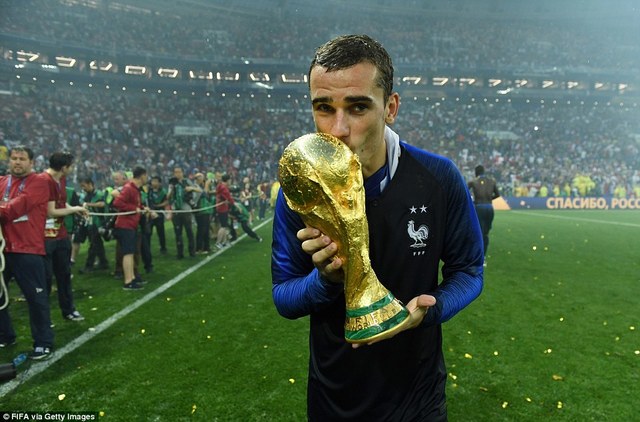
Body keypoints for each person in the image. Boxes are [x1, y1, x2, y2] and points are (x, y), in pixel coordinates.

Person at [271, 35, 484, 421]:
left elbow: (469, 271)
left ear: (390, 107)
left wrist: (431, 309)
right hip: (333, 398)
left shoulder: (438, 178)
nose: (338, 129)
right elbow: (283, 296)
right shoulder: (300, 191)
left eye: (357, 107)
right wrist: (325, 281)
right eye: (324, 108)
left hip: (417, 401)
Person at [0, 146, 55, 360]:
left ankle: (43, 343)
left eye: (22, 159)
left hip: (28, 249)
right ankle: (5, 335)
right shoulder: (3, 182)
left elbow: (14, 208)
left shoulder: (39, 182)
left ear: (31, 162)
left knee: (36, 298)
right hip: (3, 249)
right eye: (14, 158)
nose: (17, 162)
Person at [42, 151, 89, 321]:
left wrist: (75, 209)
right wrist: (74, 209)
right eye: (71, 166)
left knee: (64, 274)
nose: (72, 169)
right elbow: (51, 211)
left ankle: (69, 310)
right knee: (46, 279)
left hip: (60, 234)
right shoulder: (44, 181)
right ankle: (43, 316)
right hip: (44, 237)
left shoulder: (60, 179)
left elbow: (61, 203)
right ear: (64, 167)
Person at [112, 167, 148, 290]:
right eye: (146, 176)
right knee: (127, 253)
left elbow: (135, 204)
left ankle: (132, 277)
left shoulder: (135, 189)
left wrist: (143, 208)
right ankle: (128, 281)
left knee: (131, 253)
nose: (146, 178)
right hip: (125, 225)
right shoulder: (129, 188)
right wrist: (134, 209)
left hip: (131, 225)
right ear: (142, 176)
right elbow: (117, 203)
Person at [468, 165, 500, 260]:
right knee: (485, 234)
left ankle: (476, 256)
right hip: (489, 208)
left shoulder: (473, 182)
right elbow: (498, 195)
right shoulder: (492, 181)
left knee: (478, 233)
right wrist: (489, 199)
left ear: (476, 172)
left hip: (479, 208)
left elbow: (464, 191)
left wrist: (472, 201)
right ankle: (483, 257)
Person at [167, 167, 199, 259]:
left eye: (179, 172)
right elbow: (168, 197)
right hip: (176, 210)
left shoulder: (186, 181)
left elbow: (198, 190)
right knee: (178, 232)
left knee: (189, 231)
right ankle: (180, 253)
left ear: (182, 173)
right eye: (175, 172)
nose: (177, 174)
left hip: (186, 209)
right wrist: (172, 189)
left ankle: (192, 252)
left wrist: (190, 188)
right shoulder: (172, 183)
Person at [79, 177, 109, 272]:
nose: (83, 188)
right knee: (97, 243)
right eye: (81, 186)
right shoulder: (86, 195)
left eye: (84, 186)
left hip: (98, 223)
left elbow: (102, 204)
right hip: (90, 223)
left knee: (93, 244)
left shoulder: (99, 194)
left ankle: (89, 265)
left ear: (90, 184)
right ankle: (103, 263)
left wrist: (88, 204)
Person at [148, 176, 168, 254]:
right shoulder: (149, 190)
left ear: (159, 183)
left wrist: (158, 206)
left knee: (161, 232)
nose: (154, 183)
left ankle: (163, 248)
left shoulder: (163, 191)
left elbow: (166, 201)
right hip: (150, 213)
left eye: (156, 181)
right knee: (148, 232)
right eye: (153, 181)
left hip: (159, 213)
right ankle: (147, 248)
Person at [215, 174, 234, 249]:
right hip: (222, 208)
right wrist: (233, 203)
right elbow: (228, 197)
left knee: (224, 225)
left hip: (222, 207)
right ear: (228, 180)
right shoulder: (223, 187)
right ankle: (218, 242)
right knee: (223, 226)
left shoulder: (220, 186)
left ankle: (224, 242)